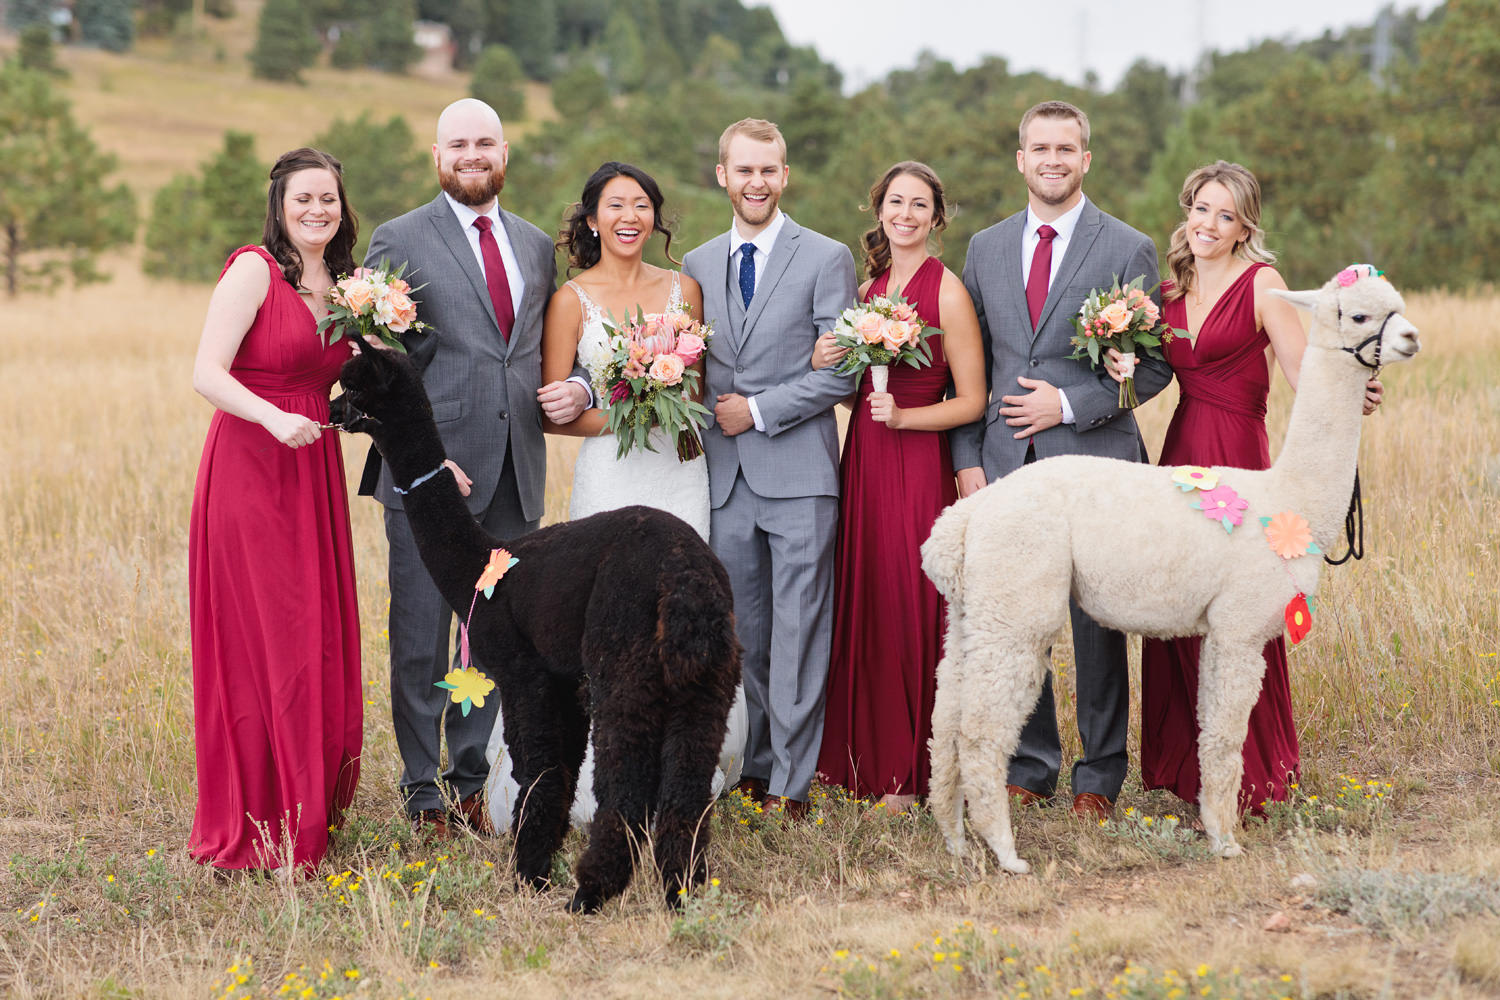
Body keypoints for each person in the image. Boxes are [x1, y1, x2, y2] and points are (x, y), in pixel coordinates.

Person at [1110, 161, 1383, 815]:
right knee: (1176, 603)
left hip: (1239, 454)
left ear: (1243, 228)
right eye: (1201, 209)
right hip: (1180, 460)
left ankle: (1256, 770)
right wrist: (1121, 364)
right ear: (1187, 211)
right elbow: (1145, 376)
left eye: (1225, 215)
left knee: (1245, 610)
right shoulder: (1166, 295)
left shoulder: (1265, 286)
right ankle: (1183, 770)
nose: (1208, 224)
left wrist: (1352, 389)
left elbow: (1303, 372)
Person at [484, 161, 748, 827]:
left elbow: (691, 391)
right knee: (603, 624)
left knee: (680, 621)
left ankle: (680, 775)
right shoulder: (573, 300)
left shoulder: (684, 289)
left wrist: (665, 407)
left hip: (681, 474)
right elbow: (552, 410)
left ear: (656, 217)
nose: (628, 217)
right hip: (610, 473)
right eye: (614, 205)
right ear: (592, 218)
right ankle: (588, 781)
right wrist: (625, 411)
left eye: (640, 205)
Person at [361, 98, 589, 837]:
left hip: (516, 474)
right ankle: (420, 788)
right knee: (423, 632)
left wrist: (580, 389)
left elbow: (536, 354)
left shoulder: (531, 245)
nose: (471, 154)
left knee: (495, 635)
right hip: (433, 482)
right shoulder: (398, 239)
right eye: (457, 144)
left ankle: (469, 778)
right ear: (437, 157)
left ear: (504, 152)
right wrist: (427, 458)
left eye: (484, 142)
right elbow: (379, 369)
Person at [951, 100, 1171, 821]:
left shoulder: (1127, 246)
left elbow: (1155, 365)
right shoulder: (984, 247)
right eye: (1039, 147)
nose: (1052, 159)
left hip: (1096, 465)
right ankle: (1033, 763)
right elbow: (969, 367)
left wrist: (1070, 405)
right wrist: (968, 459)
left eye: (1066, 148)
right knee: (1022, 621)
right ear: (1020, 158)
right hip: (1007, 464)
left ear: (1086, 159)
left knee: (1096, 627)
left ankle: (1099, 776)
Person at [187, 147, 363, 872]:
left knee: (312, 632)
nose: (317, 211)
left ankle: (306, 805)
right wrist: (268, 417)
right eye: (303, 200)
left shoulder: (349, 285)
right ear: (281, 205)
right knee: (265, 635)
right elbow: (205, 371)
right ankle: (255, 816)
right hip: (253, 467)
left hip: (312, 470)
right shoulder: (254, 269)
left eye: (328, 199)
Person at [682, 118, 858, 820]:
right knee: (741, 628)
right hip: (723, 481)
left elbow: (840, 374)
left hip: (799, 474)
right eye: (744, 169)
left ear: (785, 176)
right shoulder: (693, 265)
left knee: (800, 628)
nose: (757, 181)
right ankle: (754, 761)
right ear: (722, 175)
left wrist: (754, 411)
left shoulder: (825, 257)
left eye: (769, 170)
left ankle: (793, 777)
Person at [812, 162, 986, 812]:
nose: (906, 214)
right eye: (895, 202)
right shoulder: (866, 289)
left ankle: (911, 772)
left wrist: (908, 416)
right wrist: (821, 357)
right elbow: (849, 380)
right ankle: (862, 759)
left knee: (911, 603)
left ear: (936, 217)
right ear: (879, 210)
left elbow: (972, 399)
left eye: (919, 204)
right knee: (868, 597)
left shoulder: (948, 293)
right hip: (864, 459)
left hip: (917, 461)